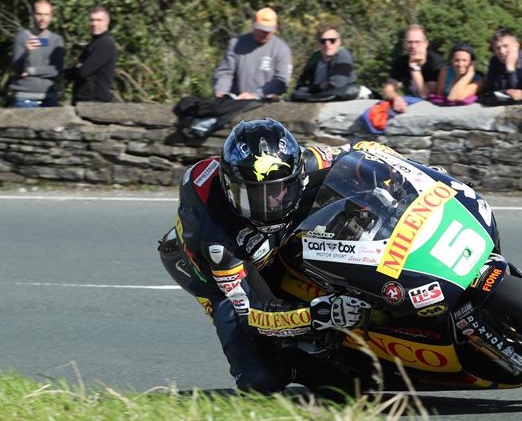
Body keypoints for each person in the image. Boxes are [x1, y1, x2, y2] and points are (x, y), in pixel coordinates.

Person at [157, 118, 374, 394]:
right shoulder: (216, 238)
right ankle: (297, 363)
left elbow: (364, 151)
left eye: (281, 190)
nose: (272, 203)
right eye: (254, 196)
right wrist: (317, 314)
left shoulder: (304, 161)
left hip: (270, 242)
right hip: (221, 275)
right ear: (230, 188)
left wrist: (424, 177)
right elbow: (255, 313)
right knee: (259, 380)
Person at [213, 7, 292, 101]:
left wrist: (255, 95)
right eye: (260, 29)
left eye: (267, 31)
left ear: (275, 28)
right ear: (254, 25)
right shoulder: (236, 44)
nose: (263, 34)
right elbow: (226, 72)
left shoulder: (282, 49)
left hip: (266, 103)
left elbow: (281, 81)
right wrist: (221, 90)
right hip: (236, 101)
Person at [9, 0, 65, 108]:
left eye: (46, 14)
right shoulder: (22, 37)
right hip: (24, 98)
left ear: (51, 16)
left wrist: (30, 71)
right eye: (39, 14)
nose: (43, 18)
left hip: (49, 98)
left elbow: (56, 70)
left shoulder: (56, 40)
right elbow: (16, 69)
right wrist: (26, 52)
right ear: (33, 15)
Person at [382, 25, 444, 114]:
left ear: (426, 43)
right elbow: (387, 90)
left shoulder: (435, 63)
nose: (413, 46)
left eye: (417, 42)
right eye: (409, 42)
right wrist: (396, 98)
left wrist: (414, 67)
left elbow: (427, 96)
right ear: (404, 44)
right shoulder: (401, 61)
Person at [290, 25, 359, 102]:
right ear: (318, 43)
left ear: (339, 41)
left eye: (332, 40)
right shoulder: (315, 57)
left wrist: (313, 89)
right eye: (323, 41)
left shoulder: (343, 56)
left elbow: (336, 84)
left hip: (340, 99)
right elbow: (301, 84)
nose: (327, 44)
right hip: (316, 96)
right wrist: (318, 87)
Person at [65, 5, 117, 103]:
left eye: (99, 20)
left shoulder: (105, 44)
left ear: (107, 21)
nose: (94, 24)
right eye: (92, 20)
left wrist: (78, 67)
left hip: (94, 102)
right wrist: (76, 67)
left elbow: (83, 71)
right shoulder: (93, 43)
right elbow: (72, 73)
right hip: (84, 99)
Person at [481, 28, 522, 104]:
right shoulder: (494, 62)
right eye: (498, 48)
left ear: (516, 46)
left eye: (506, 46)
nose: (502, 51)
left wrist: (510, 68)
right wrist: (507, 91)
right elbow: (491, 89)